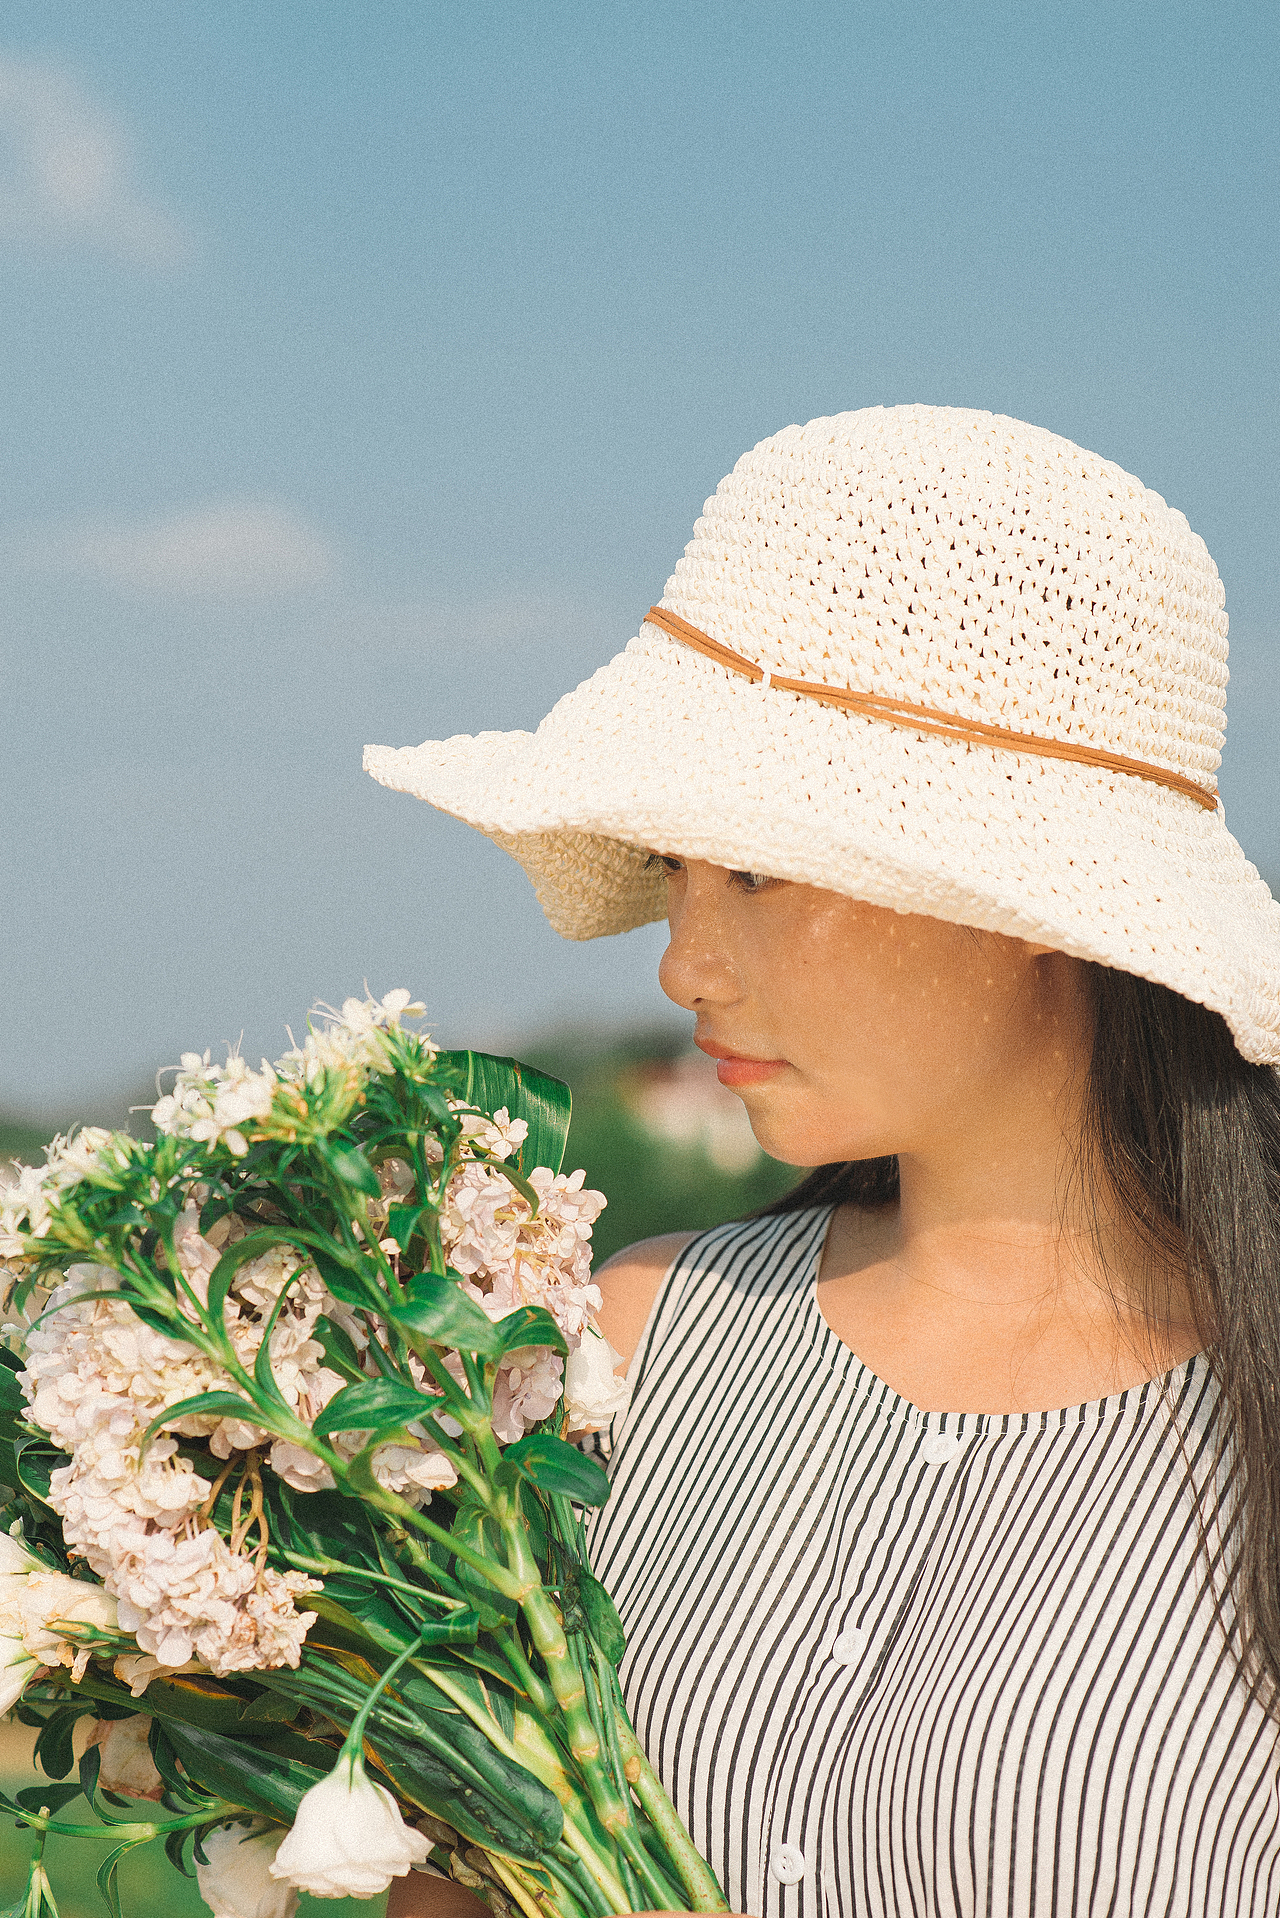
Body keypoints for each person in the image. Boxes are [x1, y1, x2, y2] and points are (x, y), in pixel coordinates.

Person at [369, 406, 1280, 1916]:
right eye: (676, 867)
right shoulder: (627, 1350)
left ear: (1033, 898)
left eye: (759, 867)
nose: (683, 965)